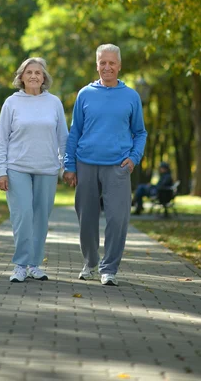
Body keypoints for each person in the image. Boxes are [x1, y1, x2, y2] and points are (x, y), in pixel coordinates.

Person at [63, 44, 147, 286]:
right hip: (86, 164)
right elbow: (75, 131)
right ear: (97, 65)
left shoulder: (131, 96)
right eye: (103, 63)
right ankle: (90, 263)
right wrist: (69, 165)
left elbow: (140, 132)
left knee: (117, 219)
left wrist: (133, 159)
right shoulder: (85, 94)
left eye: (112, 63)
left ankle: (109, 268)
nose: (107, 67)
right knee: (86, 218)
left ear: (119, 66)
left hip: (118, 166)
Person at [0, 57, 68, 283]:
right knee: (23, 215)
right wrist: (1, 170)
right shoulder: (11, 103)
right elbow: (1, 140)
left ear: (44, 77)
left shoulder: (54, 102)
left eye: (38, 72)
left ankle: (35, 265)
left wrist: (66, 166)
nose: (34, 76)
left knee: (40, 219)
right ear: (21, 77)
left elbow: (63, 138)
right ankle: (20, 265)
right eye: (29, 72)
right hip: (17, 168)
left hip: (47, 168)